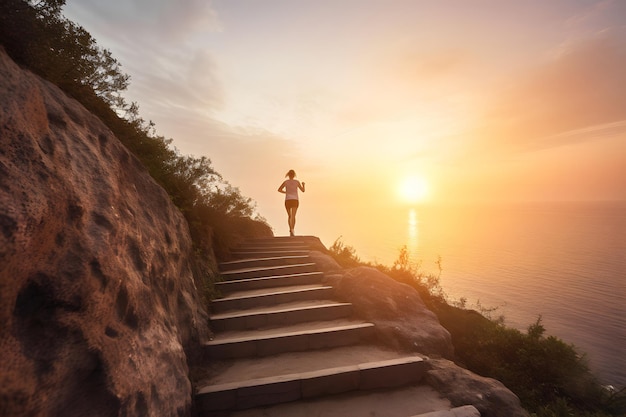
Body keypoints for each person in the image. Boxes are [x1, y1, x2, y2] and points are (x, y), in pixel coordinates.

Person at [277, 169, 305, 236]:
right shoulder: (297, 182)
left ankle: (290, 230)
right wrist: (303, 184)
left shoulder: (286, 182)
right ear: (294, 175)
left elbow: (279, 190)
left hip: (288, 200)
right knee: (293, 216)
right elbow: (303, 190)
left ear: (288, 175)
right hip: (295, 200)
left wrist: (285, 192)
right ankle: (292, 229)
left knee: (289, 216)